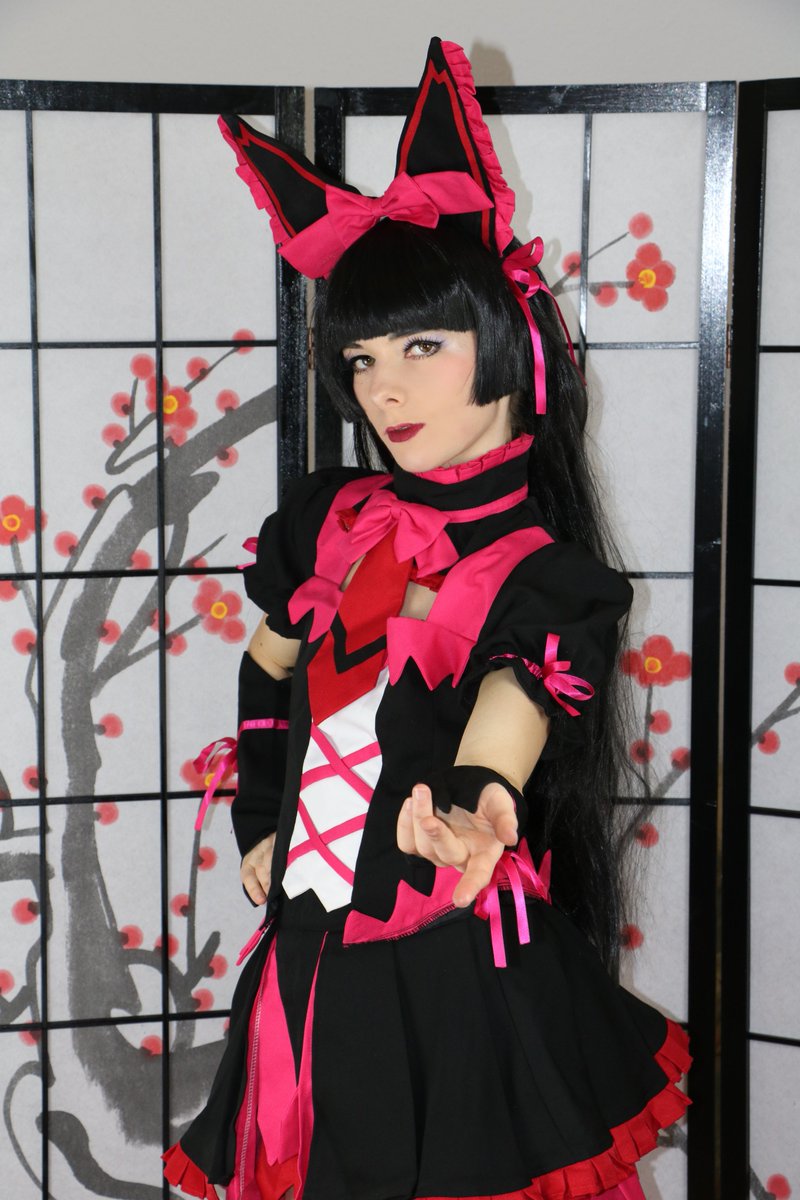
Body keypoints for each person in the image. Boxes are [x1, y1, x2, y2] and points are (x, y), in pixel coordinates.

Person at [164, 37, 690, 1200]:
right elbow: (268, 667)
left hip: (448, 957)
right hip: (305, 955)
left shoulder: (541, 575)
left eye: (420, 345)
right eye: (359, 357)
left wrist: (476, 806)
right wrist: (259, 817)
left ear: (506, 341)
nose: (383, 389)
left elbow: (515, 698)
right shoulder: (325, 520)